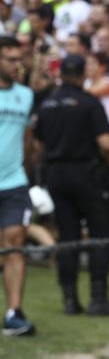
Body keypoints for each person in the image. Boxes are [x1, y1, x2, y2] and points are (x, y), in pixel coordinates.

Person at [33, 55, 109, 316]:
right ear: (81, 74)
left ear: (62, 73)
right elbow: (107, 144)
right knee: (100, 234)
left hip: (56, 175)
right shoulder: (89, 103)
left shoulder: (47, 104)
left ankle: (70, 299)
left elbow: (37, 147)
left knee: (68, 237)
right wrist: (105, 164)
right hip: (87, 174)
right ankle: (98, 299)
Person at [0, 37, 35, 336]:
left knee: (14, 245)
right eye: (9, 58)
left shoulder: (26, 95)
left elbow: (26, 137)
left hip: (14, 183)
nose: (16, 64)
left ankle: (14, 312)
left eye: (18, 58)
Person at [85, 52, 109, 127]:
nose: (88, 67)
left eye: (92, 64)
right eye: (86, 64)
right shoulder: (86, 83)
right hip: (94, 126)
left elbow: (90, 92)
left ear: (103, 67)